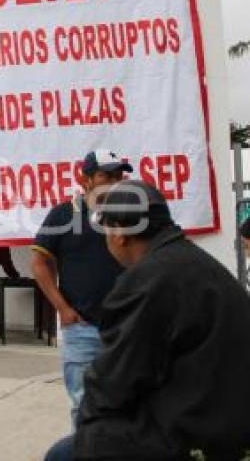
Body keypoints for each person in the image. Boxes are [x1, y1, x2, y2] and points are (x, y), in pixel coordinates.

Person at [45, 181, 250, 460]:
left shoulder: (146, 282)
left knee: (64, 453)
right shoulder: (201, 265)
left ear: (118, 234)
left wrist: (88, 439)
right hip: (223, 422)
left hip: (194, 437)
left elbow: (112, 387)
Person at [32, 149, 129, 426]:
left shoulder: (132, 216)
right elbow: (39, 263)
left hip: (128, 328)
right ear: (85, 179)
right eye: (105, 175)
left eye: (118, 175)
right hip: (83, 331)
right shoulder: (63, 215)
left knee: (128, 405)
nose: (113, 181)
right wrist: (63, 309)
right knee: (84, 407)